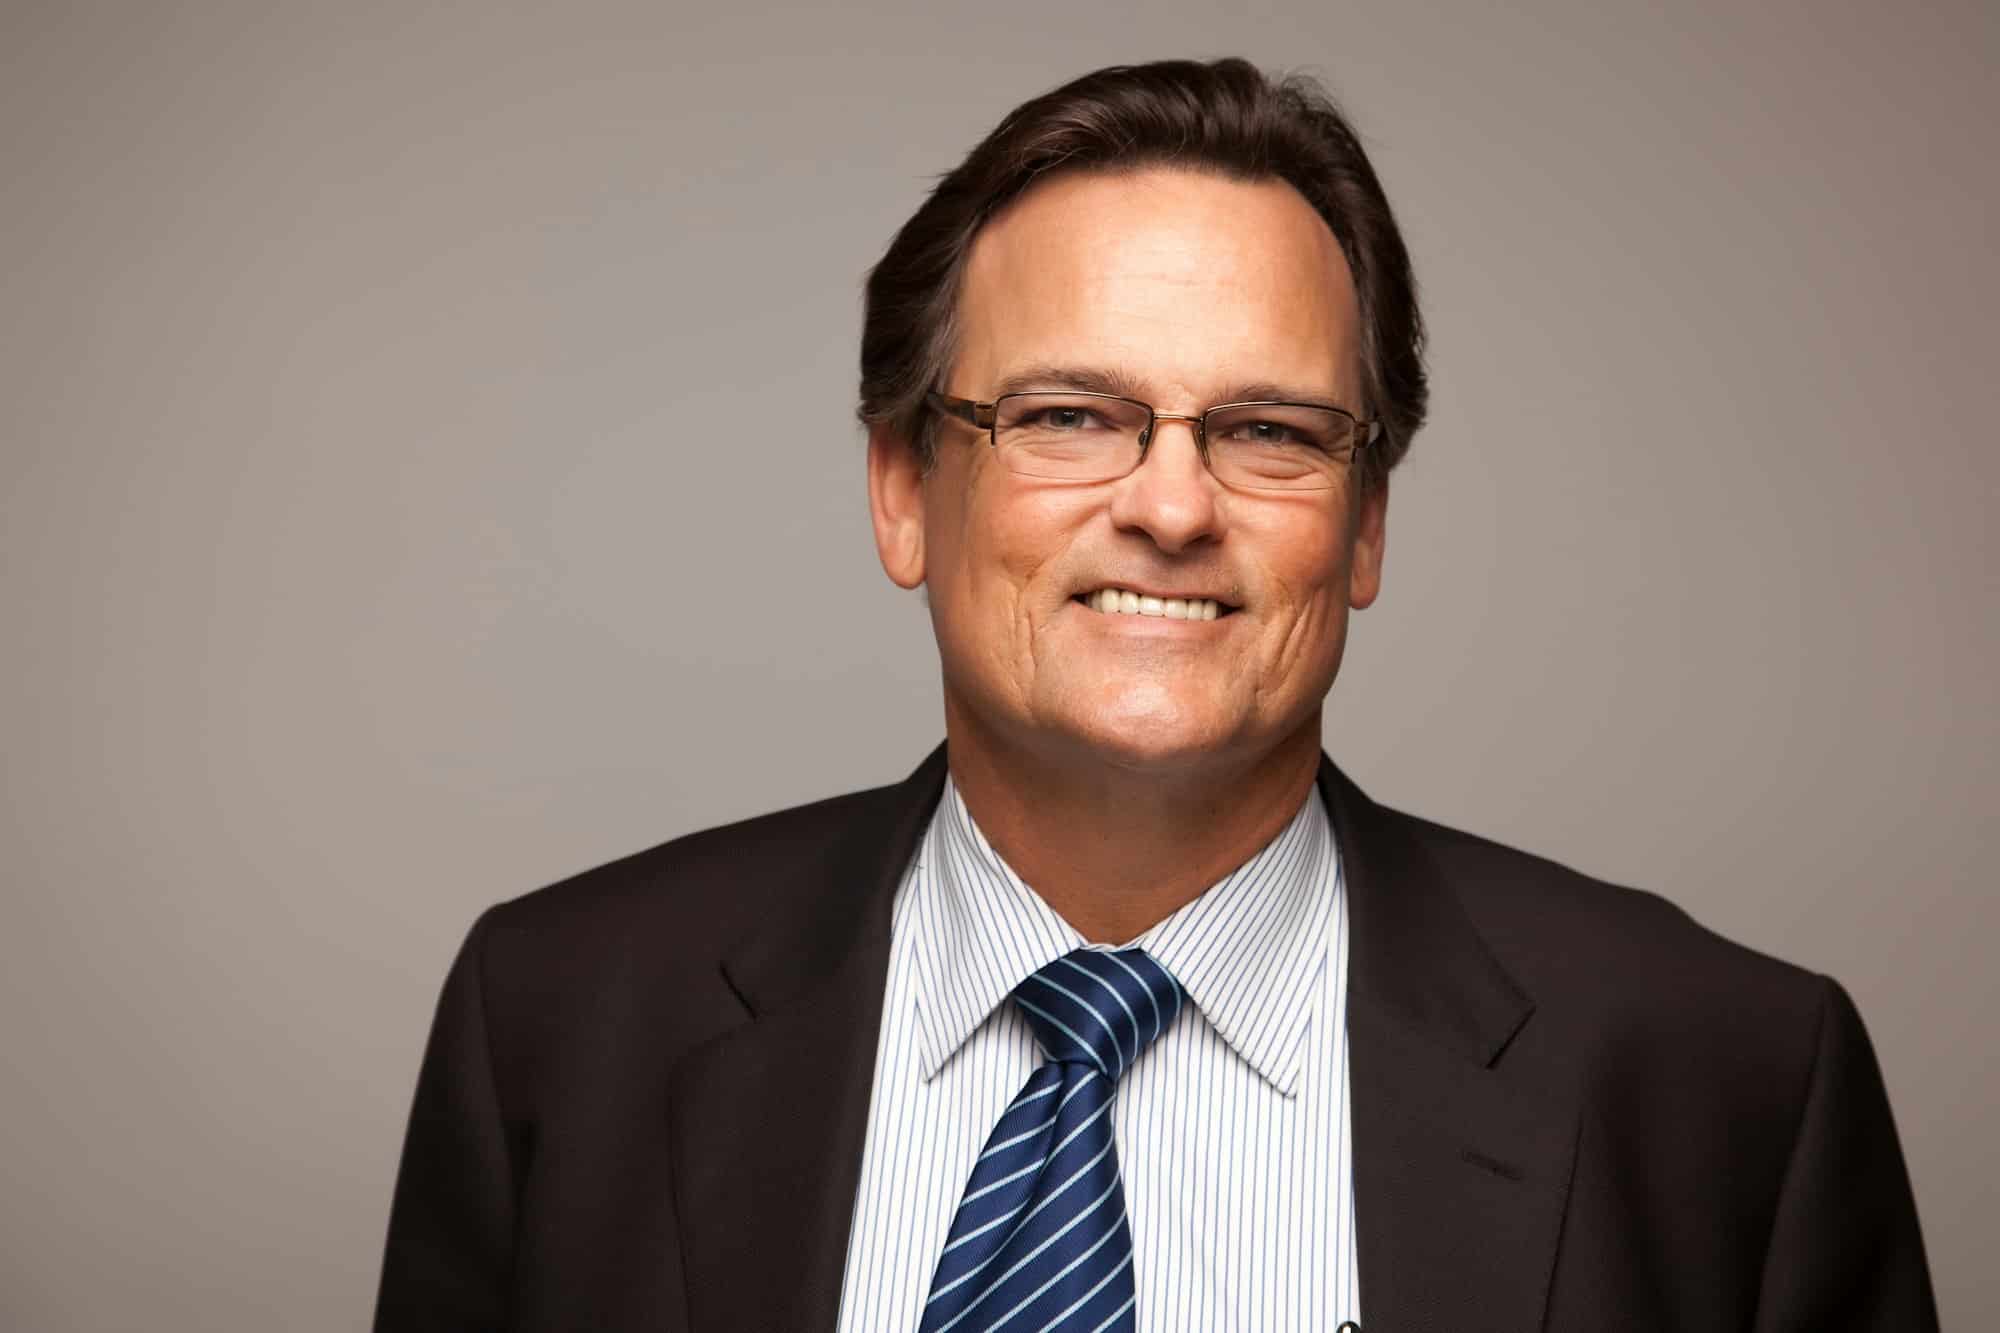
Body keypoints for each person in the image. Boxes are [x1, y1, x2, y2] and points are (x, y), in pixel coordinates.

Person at [373, 58, 1936, 1331]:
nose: (1174, 507)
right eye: (1070, 413)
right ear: (904, 490)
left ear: (1367, 520)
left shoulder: (1725, 1077)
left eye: (1268, 430)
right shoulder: (561, 1024)